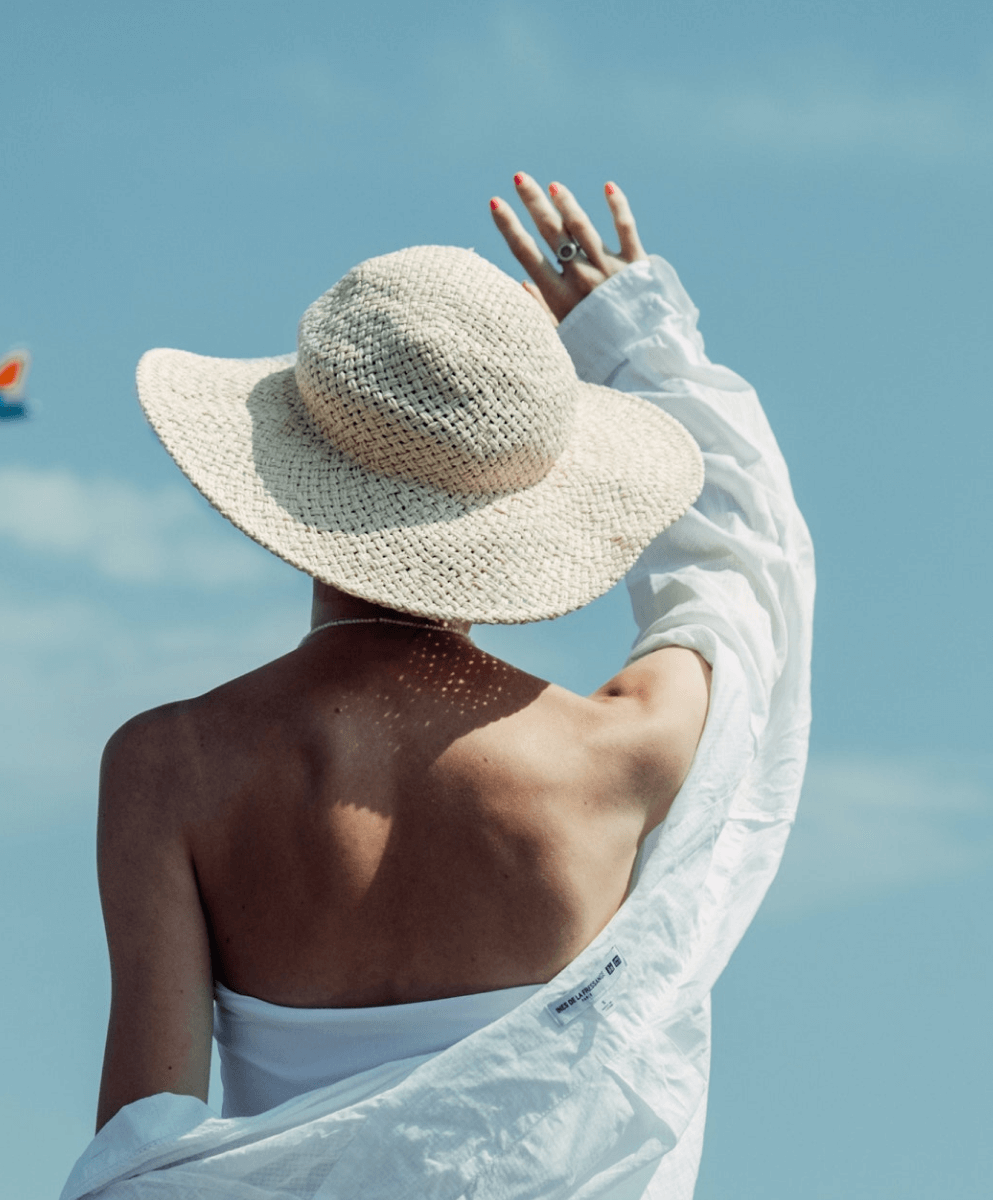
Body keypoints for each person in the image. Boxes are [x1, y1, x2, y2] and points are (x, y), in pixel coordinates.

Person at [63, 173, 814, 1199]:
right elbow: (746, 583)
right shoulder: (626, 751)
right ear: (531, 507)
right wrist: (638, 339)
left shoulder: (169, 768)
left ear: (290, 469)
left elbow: (142, 1150)